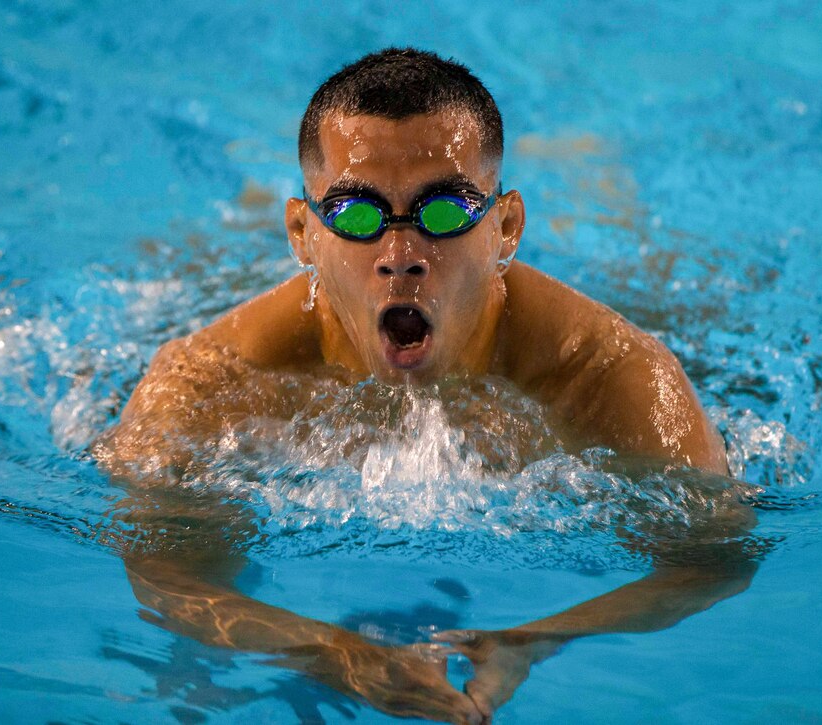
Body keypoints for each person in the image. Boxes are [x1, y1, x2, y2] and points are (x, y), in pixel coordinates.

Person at [96, 48, 756, 724]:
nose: (401, 256)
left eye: (443, 212)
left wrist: (540, 639)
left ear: (506, 227)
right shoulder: (211, 379)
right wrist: (323, 649)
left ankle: (599, 179)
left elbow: (714, 559)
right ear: (302, 234)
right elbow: (165, 570)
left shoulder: (615, 375)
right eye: (356, 215)